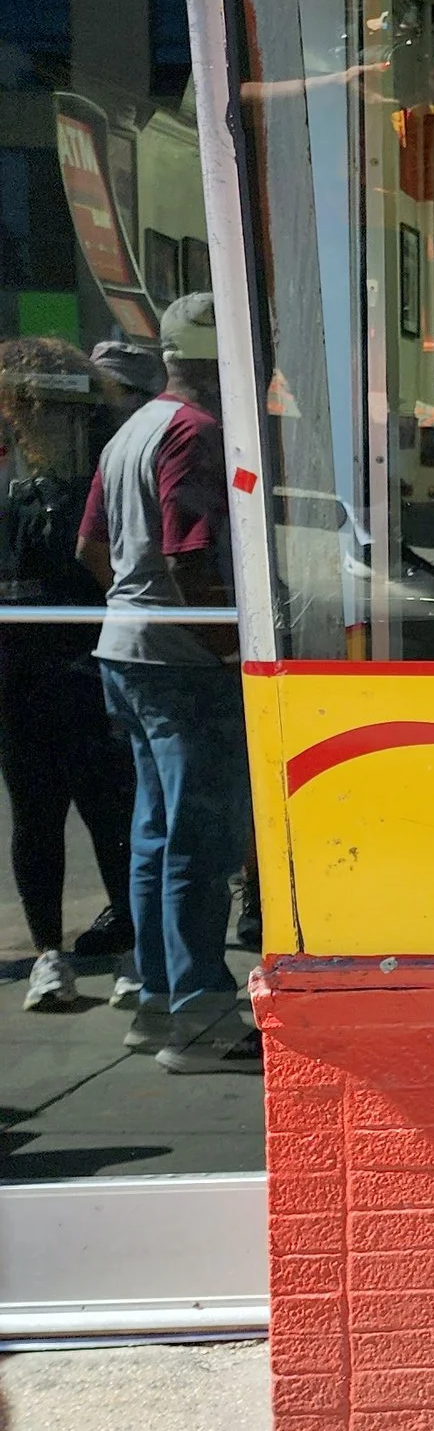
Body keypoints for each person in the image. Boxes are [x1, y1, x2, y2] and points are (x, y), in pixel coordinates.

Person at [78, 302, 260, 1073]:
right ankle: (201, 1011)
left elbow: (90, 545)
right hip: (182, 662)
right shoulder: (195, 432)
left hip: (130, 649)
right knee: (197, 839)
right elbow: (191, 556)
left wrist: (133, 604)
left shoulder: (135, 427)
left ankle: (158, 1000)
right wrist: (229, 651)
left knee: (156, 836)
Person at [0, 337, 134, 1008]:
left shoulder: (91, 487)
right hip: (28, 677)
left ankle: (122, 946)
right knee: (39, 815)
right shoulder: (24, 493)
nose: (41, 425)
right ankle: (50, 950)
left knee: (106, 810)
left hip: (81, 670)